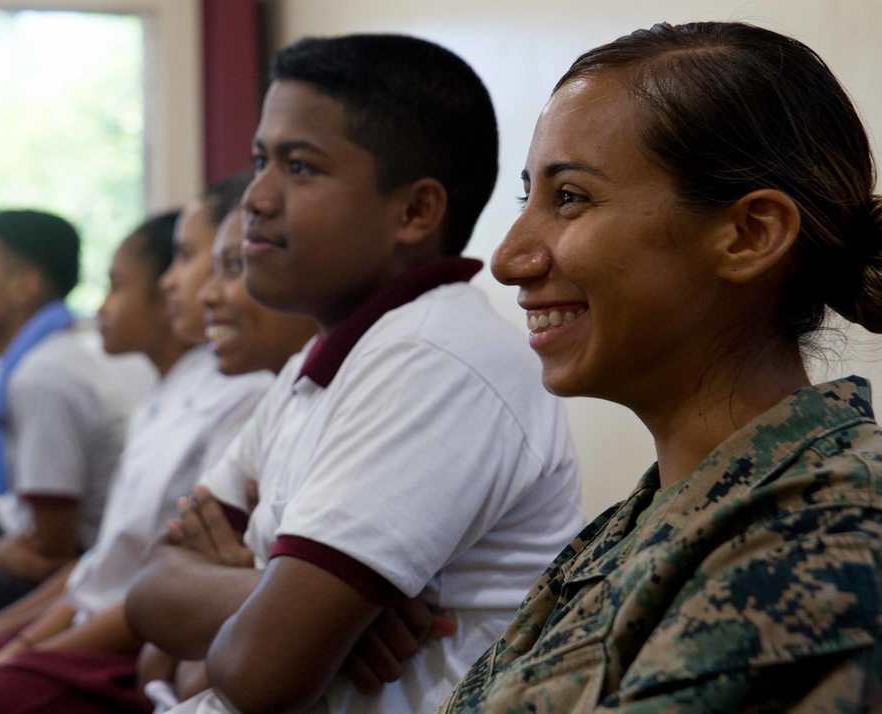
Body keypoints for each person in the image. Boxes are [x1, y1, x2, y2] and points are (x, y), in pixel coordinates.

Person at [434, 21, 882, 713]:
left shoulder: (840, 532)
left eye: (571, 198)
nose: (510, 258)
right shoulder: (626, 533)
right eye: (529, 198)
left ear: (749, 235)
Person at [125, 33, 583, 714]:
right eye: (260, 161)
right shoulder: (315, 364)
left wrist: (270, 622)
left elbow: (257, 673)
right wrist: (285, 602)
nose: (255, 197)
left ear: (415, 212)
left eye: (300, 167)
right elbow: (150, 596)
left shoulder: (432, 357)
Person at [0, 178, 310, 712]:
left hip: (124, 649)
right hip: (110, 628)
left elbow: (157, 585)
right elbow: (109, 566)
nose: (176, 286)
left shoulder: (246, 393)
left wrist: (12, 654)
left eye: (198, 261)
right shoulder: (175, 388)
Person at [136, 206, 318, 713]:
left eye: (234, 267)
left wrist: (218, 599)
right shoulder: (286, 390)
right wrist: (262, 592)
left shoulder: (273, 396)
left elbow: (211, 670)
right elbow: (150, 598)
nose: (203, 292)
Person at [0, 209, 156, 625]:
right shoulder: (62, 349)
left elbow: (48, 559)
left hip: (71, 578)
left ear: (23, 287)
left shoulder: (44, 377)